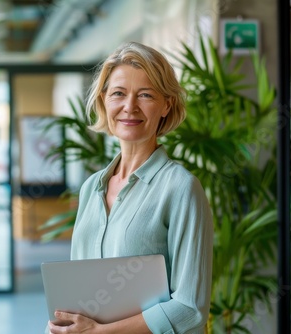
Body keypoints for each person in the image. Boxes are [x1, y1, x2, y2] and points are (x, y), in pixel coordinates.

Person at [47, 41, 213, 334]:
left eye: (146, 95)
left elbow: (190, 308)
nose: (129, 107)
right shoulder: (91, 188)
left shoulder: (181, 188)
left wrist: (99, 332)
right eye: (118, 94)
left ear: (166, 104)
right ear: (104, 101)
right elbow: (76, 295)